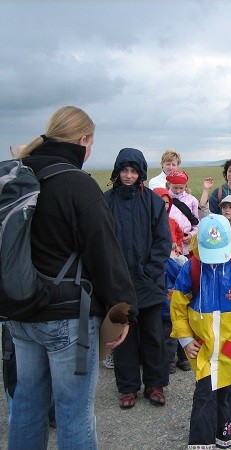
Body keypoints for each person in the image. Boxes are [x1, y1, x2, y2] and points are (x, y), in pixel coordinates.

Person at [7, 106, 137, 449]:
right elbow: (105, 255)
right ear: (83, 141)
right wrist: (123, 312)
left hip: (18, 311)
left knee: (26, 405)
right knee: (74, 413)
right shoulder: (77, 184)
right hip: (66, 319)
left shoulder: (19, 174)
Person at [170, 214, 231, 449]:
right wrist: (185, 338)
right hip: (203, 346)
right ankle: (201, 441)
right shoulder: (191, 267)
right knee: (204, 393)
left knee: (227, 391)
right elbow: (178, 307)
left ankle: (224, 434)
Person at [104, 147, 172, 409]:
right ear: (117, 172)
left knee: (153, 336)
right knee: (124, 338)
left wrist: (149, 272)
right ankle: (128, 387)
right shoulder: (106, 201)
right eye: (124, 170)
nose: (129, 176)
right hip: (118, 284)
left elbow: (162, 241)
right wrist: (113, 275)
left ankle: (155, 384)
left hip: (149, 282)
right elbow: (102, 242)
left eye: (133, 171)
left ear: (141, 173)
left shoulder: (153, 202)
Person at [153, 187, 191, 373]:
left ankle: (180, 359)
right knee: (167, 332)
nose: (164, 205)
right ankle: (169, 361)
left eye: (167, 202)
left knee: (177, 330)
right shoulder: (150, 222)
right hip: (163, 299)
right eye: (161, 201)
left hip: (173, 299)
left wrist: (175, 251)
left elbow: (179, 240)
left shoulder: (173, 221)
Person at [166, 170, 200, 256]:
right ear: (169, 184)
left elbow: (196, 222)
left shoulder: (192, 200)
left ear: (186, 185)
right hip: (170, 243)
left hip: (187, 244)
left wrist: (191, 235)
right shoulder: (164, 199)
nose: (178, 191)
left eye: (181, 188)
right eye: (175, 188)